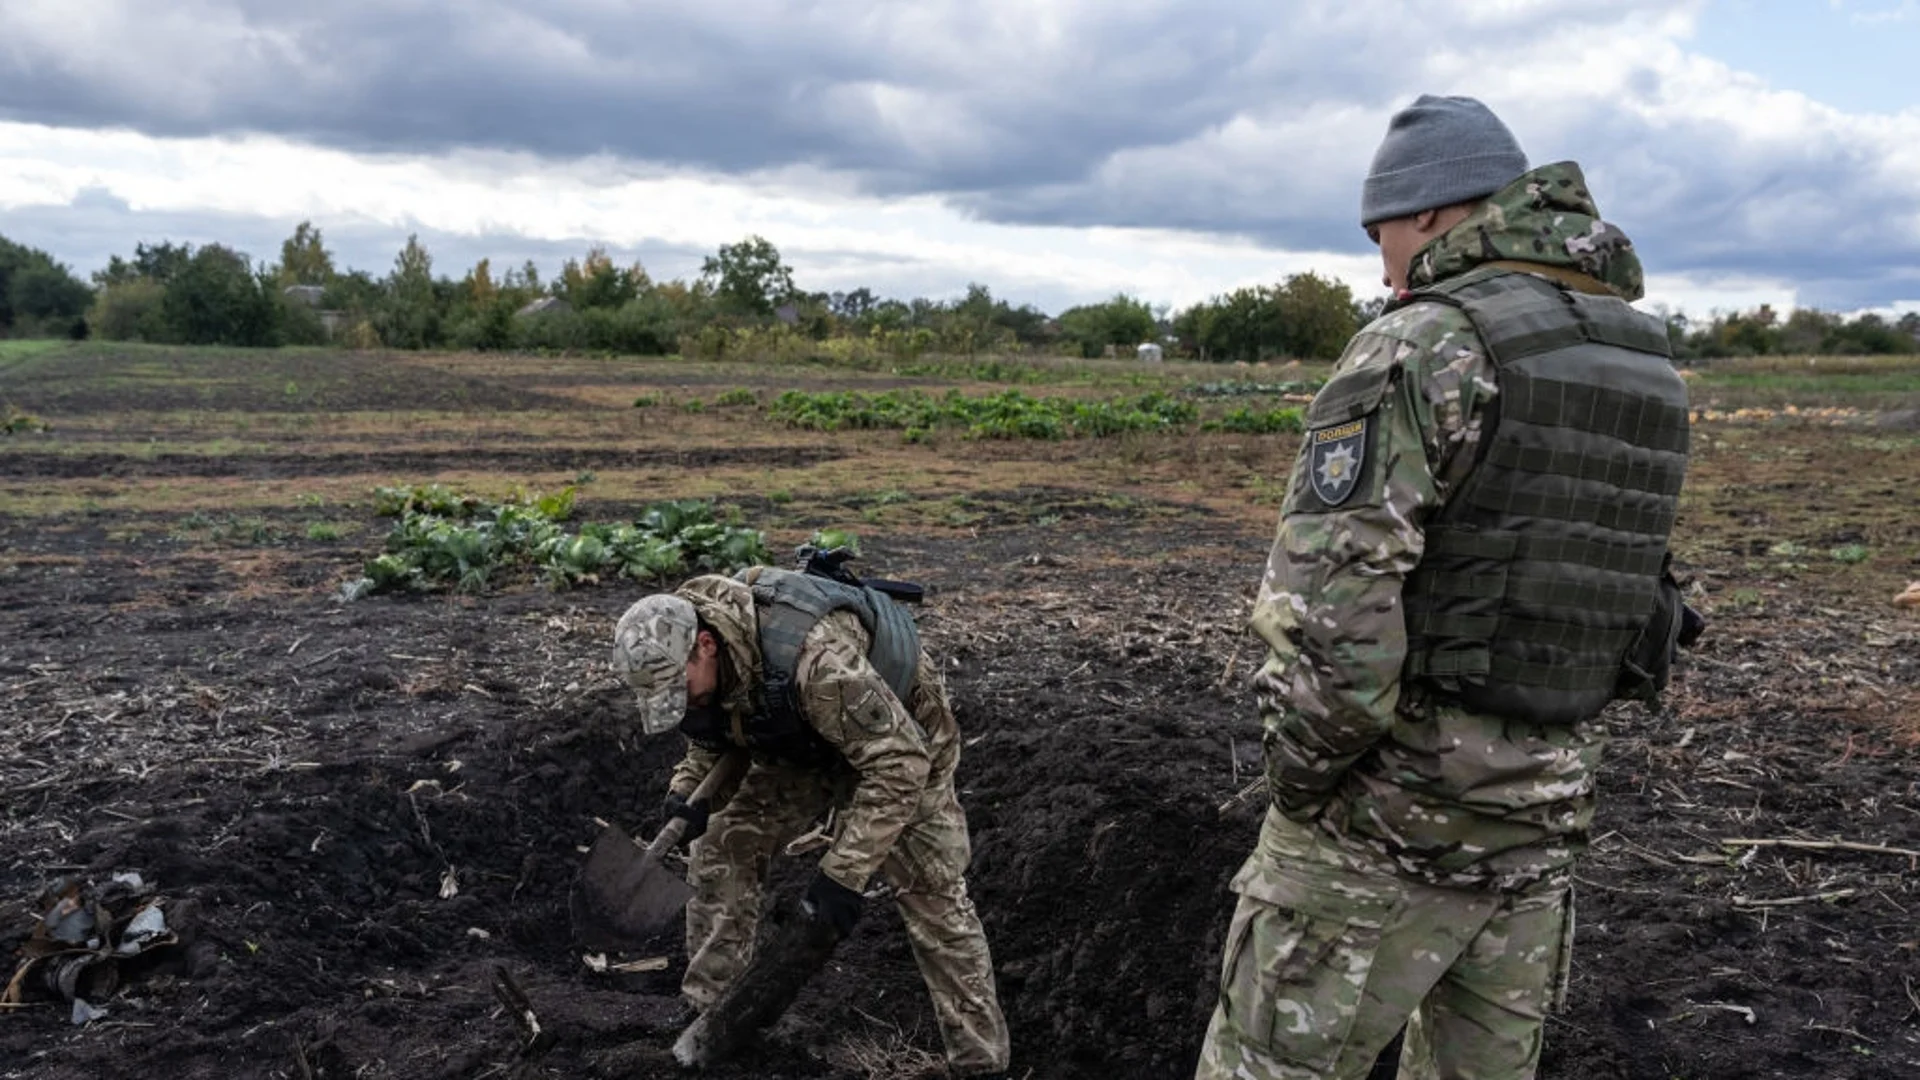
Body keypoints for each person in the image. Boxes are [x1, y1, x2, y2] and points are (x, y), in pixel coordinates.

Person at [1196, 94, 1693, 1080]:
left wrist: (1303, 792)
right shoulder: (1640, 362)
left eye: (1378, 228)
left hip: (1381, 832)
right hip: (1542, 829)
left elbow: (1332, 619)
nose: (1380, 254)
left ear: (1426, 212)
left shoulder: (1421, 344)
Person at [610, 564, 1011, 1079]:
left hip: (900, 737)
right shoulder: (707, 663)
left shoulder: (816, 661)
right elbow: (712, 735)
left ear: (704, 645)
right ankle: (709, 1013)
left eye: (681, 687)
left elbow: (900, 764)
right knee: (721, 842)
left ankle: (980, 1062)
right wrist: (686, 795)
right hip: (804, 739)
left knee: (930, 889)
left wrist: (843, 874)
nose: (682, 701)